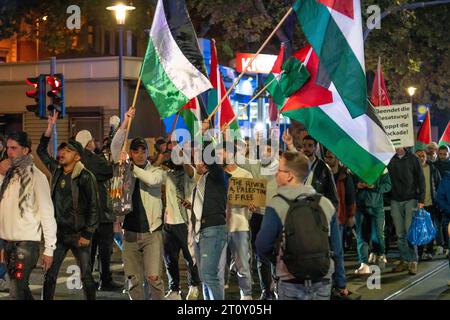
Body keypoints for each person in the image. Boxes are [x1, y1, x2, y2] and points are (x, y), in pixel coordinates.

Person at [256, 151, 335, 300]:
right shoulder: (325, 203)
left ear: (290, 175)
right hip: (323, 279)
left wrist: (279, 260)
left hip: (290, 281)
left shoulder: (277, 204)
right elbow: (336, 247)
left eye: (279, 170)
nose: (276, 174)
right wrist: (341, 283)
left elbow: (262, 245)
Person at [37, 126, 99, 300]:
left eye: (69, 150)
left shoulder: (86, 176)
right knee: (49, 275)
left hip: (80, 235)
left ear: (77, 156)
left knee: (86, 276)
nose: (63, 153)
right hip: (59, 234)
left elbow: (95, 207)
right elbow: (40, 151)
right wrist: (49, 128)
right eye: (63, 149)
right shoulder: (56, 170)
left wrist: (87, 233)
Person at [111, 108, 165, 300]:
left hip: (152, 233)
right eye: (136, 151)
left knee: (154, 278)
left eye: (144, 151)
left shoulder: (156, 171)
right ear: (130, 153)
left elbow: (152, 180)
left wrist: (130, 166)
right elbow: (116, 145)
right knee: (133, 280)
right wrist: (126, 122)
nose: (140, 154)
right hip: (130, 234)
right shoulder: (122, 169)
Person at [0, 132, 57, 300]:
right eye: (8, 148)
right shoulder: (8, 177)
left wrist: (49, 248)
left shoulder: (37, 177)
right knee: (22, 290)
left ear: (25, 150)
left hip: (26, 245)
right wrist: (2, 174)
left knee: (16, 291)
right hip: (8, 243)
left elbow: (47, 213)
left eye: (14, 148)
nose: (9, 152)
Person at [182, 136, 229, 300]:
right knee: (205, 277)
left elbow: (211, 161)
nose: (198, 163)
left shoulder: (218, 175)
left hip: (213, 230)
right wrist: (191, 206)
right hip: (200, 231)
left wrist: (205, 136)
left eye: (201, 160)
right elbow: (206, 203)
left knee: (210, 276)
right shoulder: (201, 180)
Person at [75, 129, 121, 291]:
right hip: (101, 212)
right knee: (104, 249)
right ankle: (105, 280)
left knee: (88, 250)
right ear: (88, 142)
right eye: (92, 139)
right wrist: (117, 160)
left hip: (85, 214)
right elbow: (110, 171)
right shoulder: (94, 160)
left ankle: (86, 280)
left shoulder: (77, 160)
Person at [155, 141, 201, 300]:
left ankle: (194, 286)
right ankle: (174, 290)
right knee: (169, 259)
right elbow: (151, 173)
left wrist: (184, 156)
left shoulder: (191, 173)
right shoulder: (167, 174)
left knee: (191, 258)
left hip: (186, 223)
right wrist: (160, 157)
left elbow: (189, 170)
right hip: (169, 224)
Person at [239, 138, 279, 300]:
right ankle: (266, 290)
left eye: (268, 150)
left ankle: (277, 286)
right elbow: (235, 159)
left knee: (277, 255)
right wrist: (223, 136)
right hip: (257, 217)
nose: (265, 153)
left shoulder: (279, 166)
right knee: (260, 256)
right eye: (262, 149)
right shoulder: (254, 164)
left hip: (275, 217)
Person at [220, 141, 253, 300]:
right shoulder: (216, 175)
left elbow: (253, 200)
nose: (221, 156)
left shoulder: (245, 175)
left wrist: (250, 203)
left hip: (239, 225)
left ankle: (246, 294)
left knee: (242, 264)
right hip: (219, 226)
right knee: (219, 265)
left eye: (223, 152)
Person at [388, 147, 425, 275]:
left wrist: (421, 199)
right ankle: (404, 260)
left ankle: (413, 260)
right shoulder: (390, 158)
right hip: (395, 199)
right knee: (400, 234)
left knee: (410, 232)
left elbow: (421, 179)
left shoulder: (413, 158)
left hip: (411, 199)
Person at [353, 173, 391, 273]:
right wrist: (356, 185)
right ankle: (364, 263)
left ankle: (380, 255)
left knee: (377, 235)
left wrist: (375, 186)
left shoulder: (381, 167)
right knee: (361, 236)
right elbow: (349, 183)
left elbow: (388, 185)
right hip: (360, 206)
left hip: (376, 206)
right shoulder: (355, 167)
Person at [415, 150, 442, 260]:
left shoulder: (432, 169)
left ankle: (429, 250)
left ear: (426, 157)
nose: (421, 158)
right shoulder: (413, 170)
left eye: (423, 156)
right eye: (418, 156)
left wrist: (438, 200)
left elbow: (439, 184)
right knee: (419, 228)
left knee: (430, 228)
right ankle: (420, 252)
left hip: (431, 203)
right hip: (418, 204)